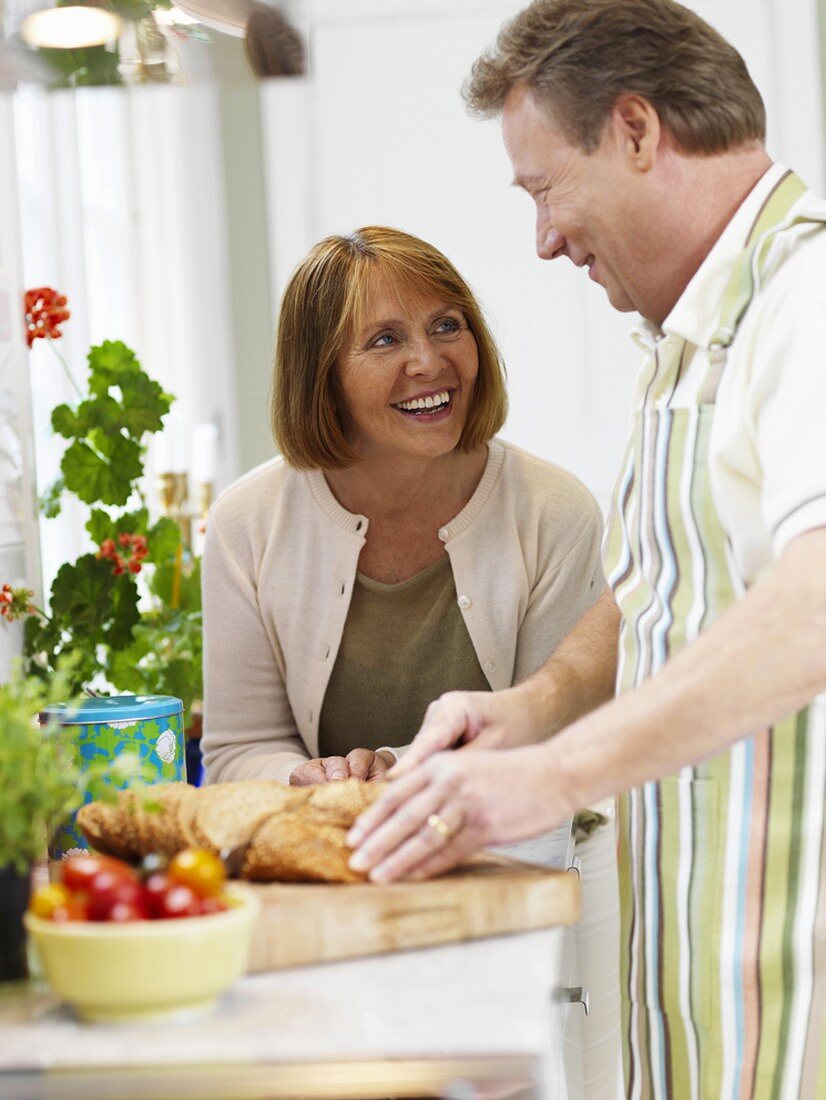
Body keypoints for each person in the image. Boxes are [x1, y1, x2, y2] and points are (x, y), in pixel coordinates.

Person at [347, 3, 826, 1097]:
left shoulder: (807, 299)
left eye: (543, 187)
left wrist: (543, 778)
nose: (544, 237)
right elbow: (671, 585)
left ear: (636, 130)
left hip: (796, 966)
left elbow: (812, 603)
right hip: (707, 955)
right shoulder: (695, 330)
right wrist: (536, 703)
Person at [201, 225, 606, 789]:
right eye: (385, 340)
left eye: (446, 326)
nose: (427, 362)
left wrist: (399, 766)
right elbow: (240, 749)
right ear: (322, 376)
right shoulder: (245, 524)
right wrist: (307, 778)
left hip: (502, 857)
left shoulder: (554, 512)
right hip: (318, 858)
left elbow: (548, 734)